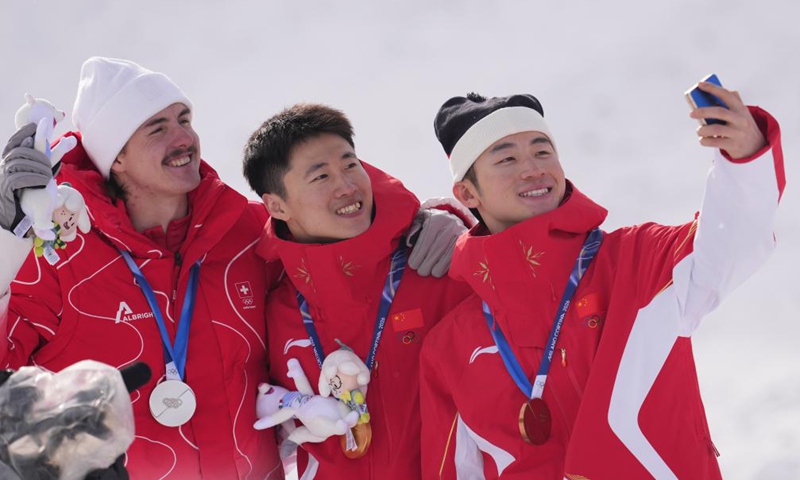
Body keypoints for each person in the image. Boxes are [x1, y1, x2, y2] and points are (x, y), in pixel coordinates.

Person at [419, 85, 784, 479]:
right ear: (467, 192)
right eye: (506, 159)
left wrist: (744, 160)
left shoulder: (639, 261)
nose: (533, 168)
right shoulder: (450, 347)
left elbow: (731, 244)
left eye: (543, 151)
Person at [0, 57, 283, 478]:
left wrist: (414, 220)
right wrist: (5, 238)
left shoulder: (248, 229)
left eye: (184, 119)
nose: (184, 137)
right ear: (117, 158)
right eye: (158, 128)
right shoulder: (59, 250)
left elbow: (344, 254)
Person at [242, 103, 474, 479]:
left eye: (350, 165)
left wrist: (473, 230)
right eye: (320, 177)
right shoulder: (273, 304)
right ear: (276, 205)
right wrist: (290, 402)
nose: (347, 186)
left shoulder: (435, 263)